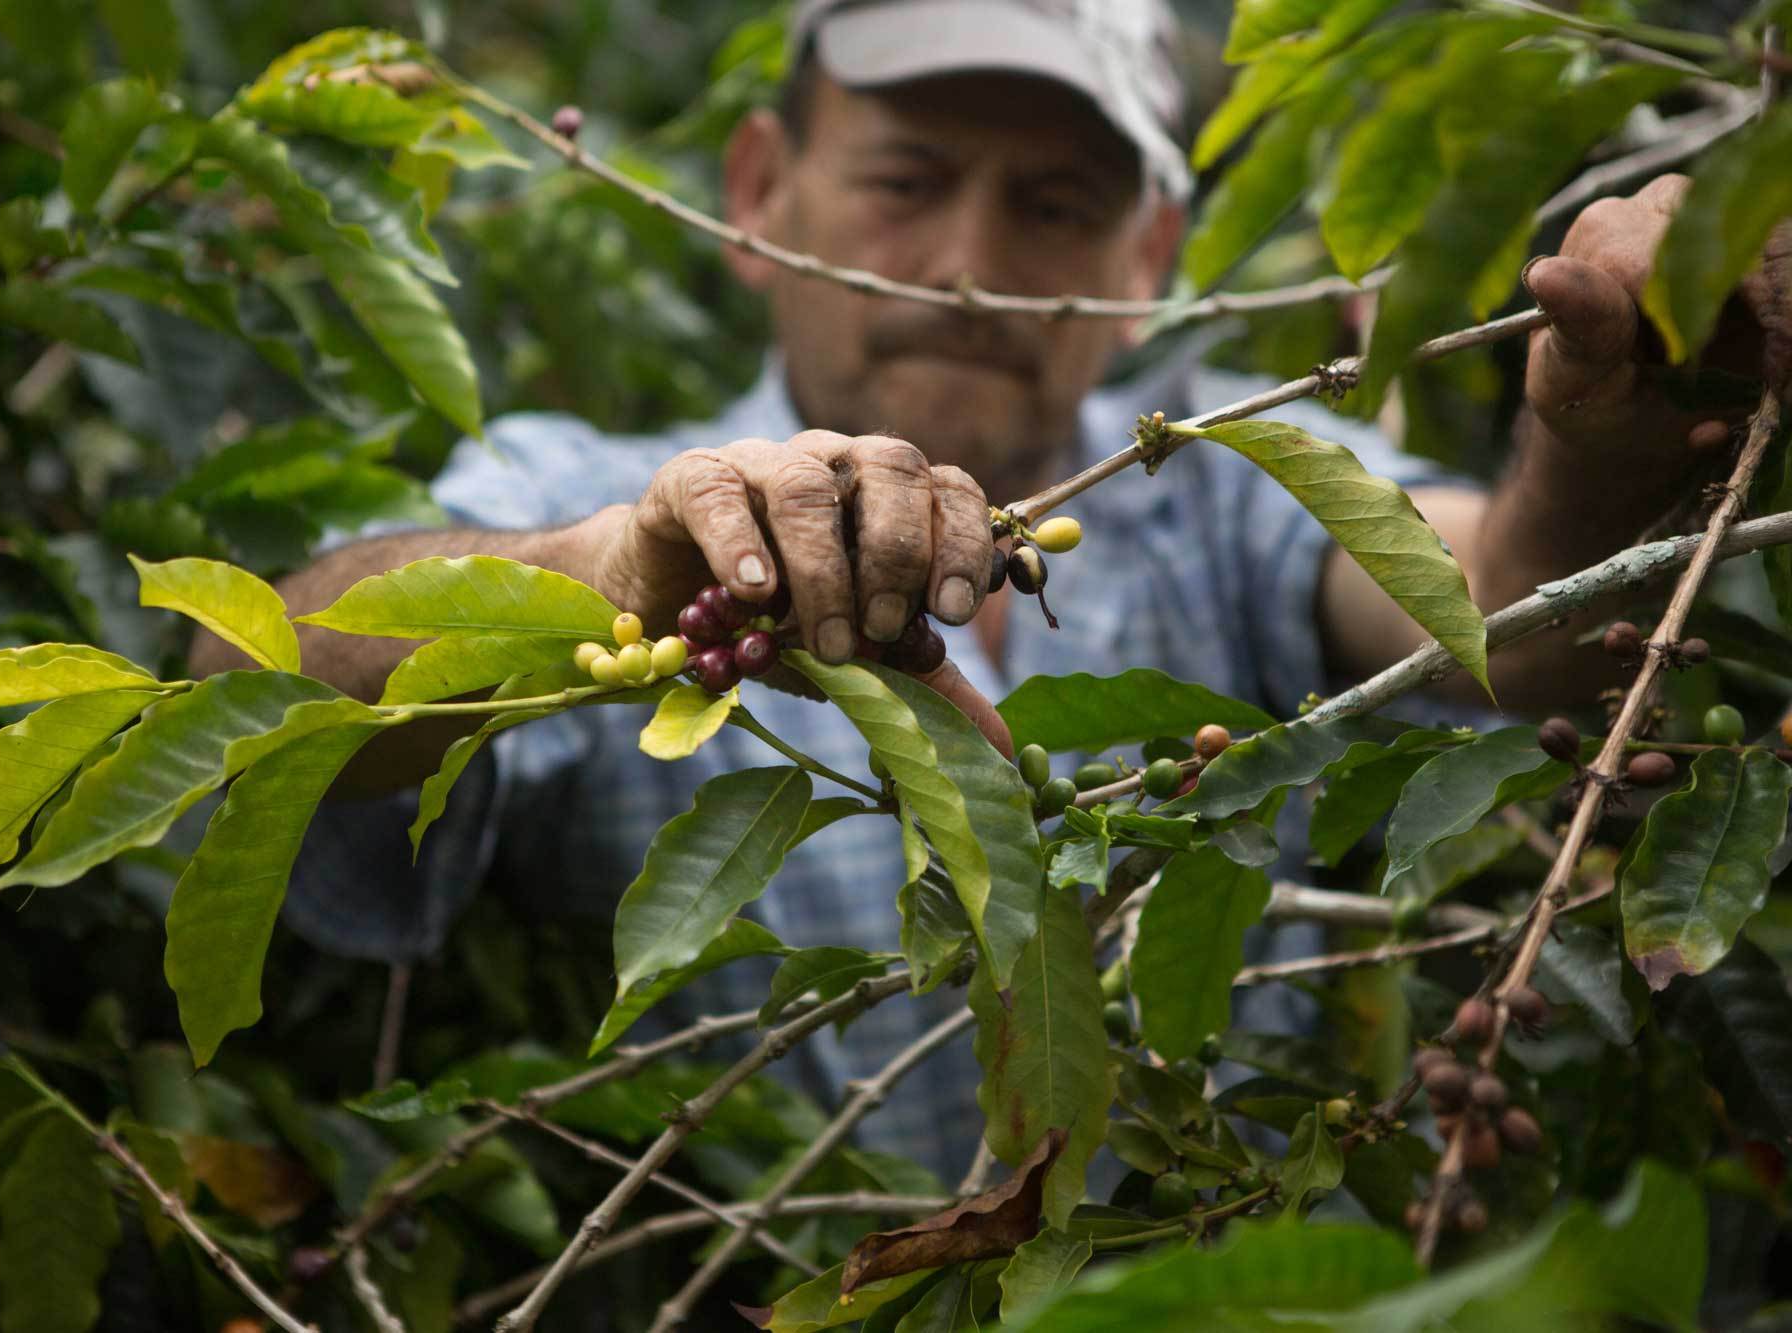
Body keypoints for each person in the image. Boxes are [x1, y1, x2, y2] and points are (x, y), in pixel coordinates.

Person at [192, 0, 1790, 1183]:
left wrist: (1604, 433)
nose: (964, 261)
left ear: (1148, 252)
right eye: (907, 178)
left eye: (1053, 207)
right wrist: (594, 572)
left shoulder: (1219, 473)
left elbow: (1509, 609)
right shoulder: (586, 492)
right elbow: (241, 688)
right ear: (757, 191)